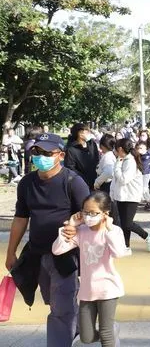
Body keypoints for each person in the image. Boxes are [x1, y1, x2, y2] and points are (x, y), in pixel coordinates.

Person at [6, 133, 89, 347]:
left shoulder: (73, 182)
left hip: (66, 255)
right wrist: (10, 252)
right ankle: (79, 327)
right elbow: (20, 219)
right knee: (53, 301)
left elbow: (91, 215)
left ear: (60, 155)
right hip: (37, 253)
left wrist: (75, 225)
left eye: (46, 153)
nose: (40, 156)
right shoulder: (26, 183)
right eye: (36, 152)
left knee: (60, 309)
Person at [52, 191, 128, 347]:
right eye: (85, 212)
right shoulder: (81, 232)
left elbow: (119, 253)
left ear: (105, 213)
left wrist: (109, 229)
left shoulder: (113, 231)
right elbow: (57, 250)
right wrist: (71, 225)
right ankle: (113, 330)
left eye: (93, 213)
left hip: (108, 288)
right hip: (87, 290)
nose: (88, 216)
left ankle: (110, 332)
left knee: (106, 335)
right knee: (86, 337)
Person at [110, 138, 150, 253]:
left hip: (131, 197)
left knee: (127, 223)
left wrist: (117, 165)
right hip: (121, 196)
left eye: (115, 149)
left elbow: (123, 179)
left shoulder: (129, 161)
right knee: (124, 224)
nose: (114, 151)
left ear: (120, 149)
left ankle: (147, 236)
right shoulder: (124, 159)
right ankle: (126, 246)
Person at [65, 123, 101, 190]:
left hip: (95, 180)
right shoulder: (71, 149)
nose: (89, 133)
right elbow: (70, 167)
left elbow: (97, 158)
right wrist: (82, 179)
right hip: (81, 183)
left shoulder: (92, 144)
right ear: (80, 134)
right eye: (87, 131)